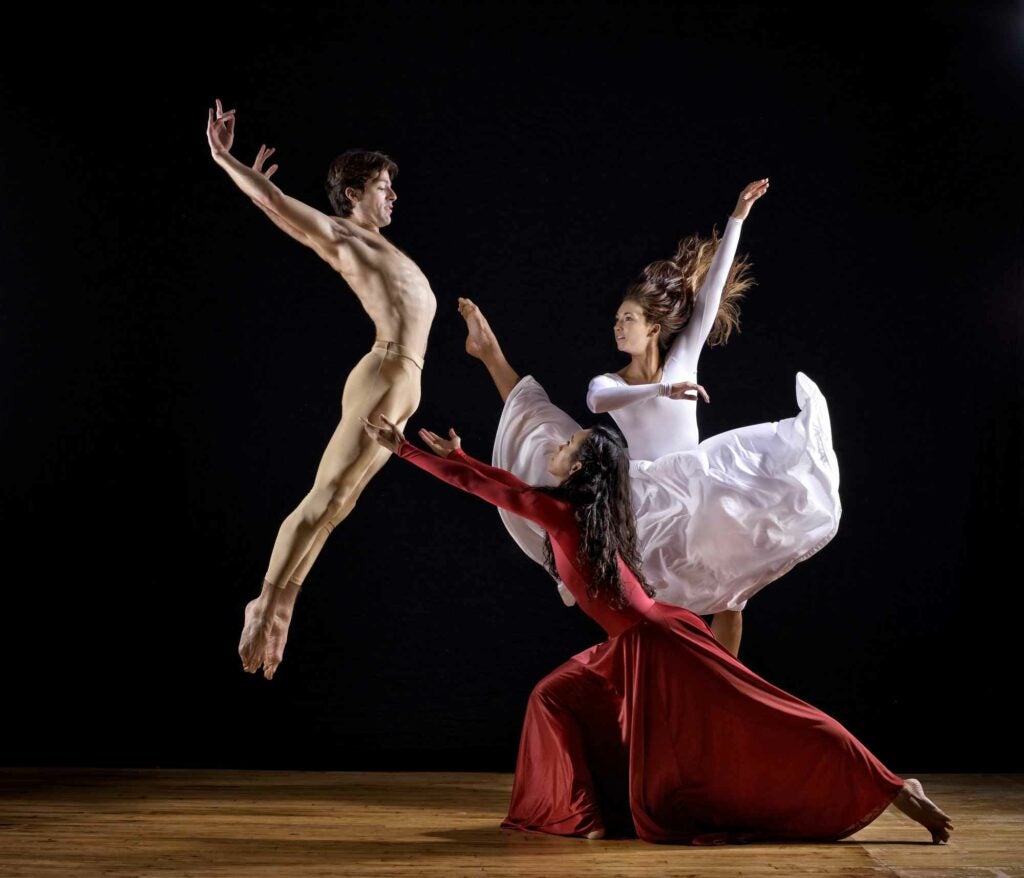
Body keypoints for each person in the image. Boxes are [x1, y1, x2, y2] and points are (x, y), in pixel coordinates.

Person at [362, 414, 952, 845]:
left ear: (582, 468)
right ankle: (584, 815)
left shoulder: (567, 514)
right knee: (552, 696)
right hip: (634, 643)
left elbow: (499, 491)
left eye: (568, 443)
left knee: (773, 715)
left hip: (659, 644)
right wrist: (458, 455)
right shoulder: (576, 513)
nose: (558, 444)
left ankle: (898, 789)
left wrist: (406, 451)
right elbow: (505, 488)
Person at [459, 180, 840, 656]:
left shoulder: (683, 361)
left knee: (732, 594)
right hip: (648, 497)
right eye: (617, 320)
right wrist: (664, 389)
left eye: (628, 320)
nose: (618, 327)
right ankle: (641, 669)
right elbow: (597, 401)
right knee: (625, 583)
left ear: (653, 328)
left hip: (698, 486)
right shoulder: (614, 381)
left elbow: (713, 289)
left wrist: (738, 217)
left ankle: (725, 682)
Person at [207, 99, 437, 679]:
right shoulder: (344, 236)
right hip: (386, 369)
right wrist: (226, 158)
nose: (393, 195)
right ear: (353, 194)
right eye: (382, 186)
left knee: (338, 506)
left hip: (406, 382)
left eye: (391, 187)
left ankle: (283, 604)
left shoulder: (384, 246)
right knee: (324, 493)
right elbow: (276, 206)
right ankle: (264, 600)